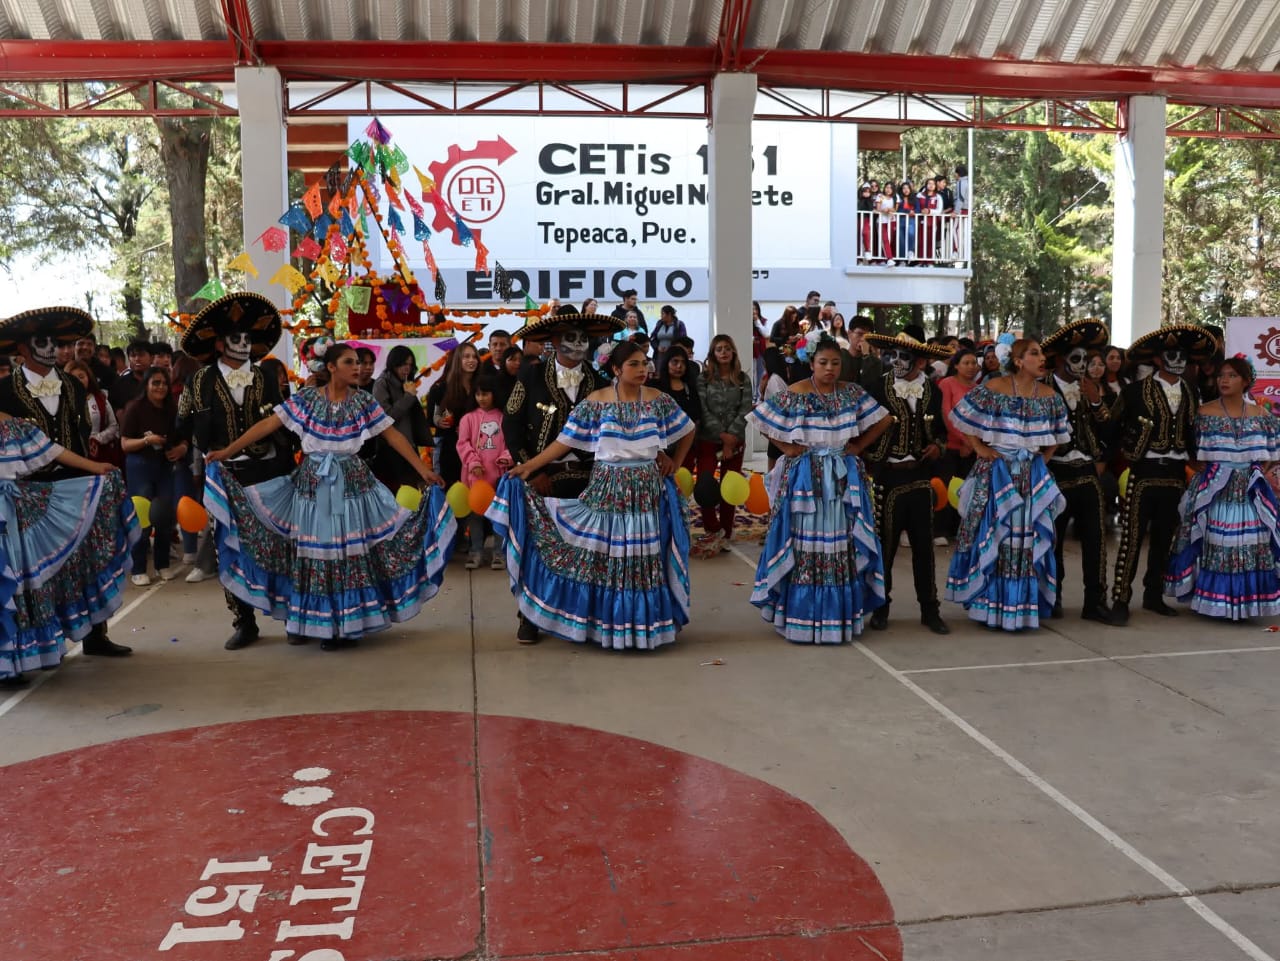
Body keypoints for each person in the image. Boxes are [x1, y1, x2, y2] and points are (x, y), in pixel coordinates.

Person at [205, 343, 454, 650]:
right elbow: (268, 424)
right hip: (312, 487)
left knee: (345, 552)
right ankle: (309, 621)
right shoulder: (308, 398)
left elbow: (392, 436)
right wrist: (228, 451)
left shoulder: (363, 401)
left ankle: (344, 626)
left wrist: (423, 470)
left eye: (359, 362)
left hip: (352, 487)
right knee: (312, 553)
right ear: (332, 367)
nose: (357, 367)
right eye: (349, 362)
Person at [490, 340, 695, 650]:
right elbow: (564, 441)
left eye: (645, 363)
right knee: (601, 556)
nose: (642, 369)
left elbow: (688, 429)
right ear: (616, 369)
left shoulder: (658, 399)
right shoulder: (596, 401)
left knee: (640, 560)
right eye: (634, 364)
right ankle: (601, 625)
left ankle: (639, 628)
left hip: (645, 493)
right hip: (607, 489)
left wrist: (674, 462)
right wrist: (529, 466)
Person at [0, 305, 135, 657]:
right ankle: (39, 646)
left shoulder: (73, 385)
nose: (51, 348)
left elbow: (80, 437)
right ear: (23, 348)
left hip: (74, 487)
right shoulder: (4, 391)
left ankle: (96, 635)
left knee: (86, 561)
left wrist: (92, 472)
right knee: (33, 576)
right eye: (41, 341)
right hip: (27, 496)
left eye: (55, 342)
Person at [747, 335, 891, 643]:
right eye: (823, 362)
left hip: (841, 478)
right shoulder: (796, 392)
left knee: (841, 542)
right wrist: (786, 447)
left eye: (835, 363)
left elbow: (883, 419)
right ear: (811, 363)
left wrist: (858, 446)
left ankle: (835, 618)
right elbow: (759, 418)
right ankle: (802, 617)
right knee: (804, 542)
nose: (829, 369)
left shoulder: (851, 392)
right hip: (806, 479)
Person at [177, 291, 297, 646]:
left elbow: (284, 419)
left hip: (271, 472)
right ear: (219, 343)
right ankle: (244, 621)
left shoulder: (267, 376)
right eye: (235, 337)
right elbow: (183, 423)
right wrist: (187, 448)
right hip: (225, 474)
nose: (243, 343)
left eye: (247, 337)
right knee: (230, 546)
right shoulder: (199, 381)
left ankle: (292, 615)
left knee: (281, 543)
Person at [502, 306, 620, 642]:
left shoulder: (600, 381)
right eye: (570, 337)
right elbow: (511, 425)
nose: (579, 343)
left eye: (583, 337)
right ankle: (529, 616)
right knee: (539, 548)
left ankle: (585, 616)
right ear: (553, 341)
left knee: (589, 549)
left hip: (589, 478)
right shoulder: (530, 376)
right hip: (543, 478)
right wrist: (532, 470)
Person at [0, 414, 135, 687]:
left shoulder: (10, 425)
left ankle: (11, 664)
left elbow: (51, 450)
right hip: (10, 518)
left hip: (11, 516)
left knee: (13, 586)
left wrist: (94, 467)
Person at [945, 338, 1070, 631]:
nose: (1042, 358)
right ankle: (990, 606)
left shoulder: (1050, 395)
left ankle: (1020, 608)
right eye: (1035, 353)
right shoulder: (994, 387)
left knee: (1024, 539)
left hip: (1029, 476)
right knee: (996, 536)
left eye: (1042, 354)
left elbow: (1060, 433)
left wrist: (1042, 458)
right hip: (997, 472)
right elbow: (961, 416)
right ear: (1018, 360)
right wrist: (979, 447)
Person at [1109, 324, 1218, 624]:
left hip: (1174, 473)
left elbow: (1192, 431)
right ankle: (1121, 598)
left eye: (1182, 355)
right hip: (1143, 472)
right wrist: (1118, 455)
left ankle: (1153, 595)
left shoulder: (1190, 391)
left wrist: (1197, 459)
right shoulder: (1134, 391)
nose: (1178, 360)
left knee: (1164, 537)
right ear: (1157, 359)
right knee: (1131, 538)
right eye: (1171, 355)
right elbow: (1113, 427)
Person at [1166, 356, 1280, 619]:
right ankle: (1217, 602)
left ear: (1246, 381)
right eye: (1221, 375)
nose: (1224, 380)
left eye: (1231, 375)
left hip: (1249, 490)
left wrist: (1257, 472)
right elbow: (1191, 448)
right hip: (1215, 488)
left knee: (1254, 542)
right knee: (1215, 541)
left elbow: (1273, 451)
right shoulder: (1204, 412)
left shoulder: (1262, 415)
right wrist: (1203, 471)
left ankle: (1246, 602)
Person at [861, 333, 952, 634]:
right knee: (885, 547)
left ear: (921, 362)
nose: (896, 361)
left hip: (921, 475)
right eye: (893, 355)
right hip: (888, 475)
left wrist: (937, 446)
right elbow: (863, 427)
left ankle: (930, 609)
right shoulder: (877, 387)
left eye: (904, 356)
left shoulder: (933, 391)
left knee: (924, 547)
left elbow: (941, 431)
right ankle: (881, 607)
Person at [1041, 320, 1116, 624]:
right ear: (1060, 359)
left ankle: (1095, 602)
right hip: (1054, 472)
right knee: (1053, 539)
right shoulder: (1042, 387)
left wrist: (1096, 401)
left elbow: (1108, 428)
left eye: (1086, 359)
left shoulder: (1091, 387)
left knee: (1095, 539)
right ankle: (1052, 597)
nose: (1083, 365)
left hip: (1086, 470)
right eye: (1076, 358)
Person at [119, 366, 187, 585]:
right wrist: (147, 440)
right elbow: (125, 444)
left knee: (164, 517)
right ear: (146, 385)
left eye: (164, 383)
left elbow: (183, 438)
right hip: (140, 466)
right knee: (142, 518)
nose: (161, 387)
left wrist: (182, 448)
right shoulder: (135, 408)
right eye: (155, 383)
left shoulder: (171, 409)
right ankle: (138, 568)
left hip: (164, 467)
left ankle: (162, 564)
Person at [692, 335, 755, 559]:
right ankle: (713, 529)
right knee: (705, 484)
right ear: (713, 353)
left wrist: (731, 438)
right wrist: (721, 435)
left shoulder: (743, 379)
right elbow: (703, 409)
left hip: (736, 440)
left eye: (727, 348)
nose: (724, 352)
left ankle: (726, 533)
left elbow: (746, 409)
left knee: (730, 486)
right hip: (708, 439)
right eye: (719, 349)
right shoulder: (703, 379)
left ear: (733, 351)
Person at [456, 372, 511, 570]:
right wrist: (473, 462)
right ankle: (476, 551)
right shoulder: (467, 419)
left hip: (498, 478)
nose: (482, 398)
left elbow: (510, 444)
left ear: (494, 394)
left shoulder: (504, 418)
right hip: (475, 478)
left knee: (498, 516)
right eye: (478, 394)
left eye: (486, 394)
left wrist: (506, 458)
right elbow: (462, 444)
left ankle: (499, 553)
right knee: (475, 517)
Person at [372, 344, 432, 491]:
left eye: (410, 365)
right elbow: (385, 418)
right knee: (399, 492)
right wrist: (408, 397)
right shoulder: (382, 383)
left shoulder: (406, 383)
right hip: (391, 449)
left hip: (409, 445)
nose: (407, 368)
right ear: (394, 363)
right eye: (403, 364)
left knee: (413, 490)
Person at [425, 341, 480, 485]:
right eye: (466, 356)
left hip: (477, 447)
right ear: (457, 360)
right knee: (451, 489)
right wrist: (438, 421)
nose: (471, 360)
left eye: (474, 356)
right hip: (449, 447)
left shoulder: (481, 386)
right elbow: (432, 418)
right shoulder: (440, 388)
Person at [66, 360, 121, 467]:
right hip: (74, 456)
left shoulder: (101, 398)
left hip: (101, 453)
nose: (78, 381)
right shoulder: (62, 402)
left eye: (81, 377)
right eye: (73, 378)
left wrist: (97, 439)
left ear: (88, 378)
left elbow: (114, 426)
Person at [655, 344, 701, 467]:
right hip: (660, 447)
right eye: (675, 362)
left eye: (683, 363)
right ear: (666, 363)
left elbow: (696, 416)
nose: (679, 366)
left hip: (686, 446)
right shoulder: (655, 387)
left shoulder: (691, 389)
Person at [109, 339, 153, 416]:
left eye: (141, 355)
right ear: (129, 359)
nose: (137, 359)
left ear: (151, 358)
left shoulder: (159, 381)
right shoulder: (119, 383)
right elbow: (111, 406)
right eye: (133, 355)